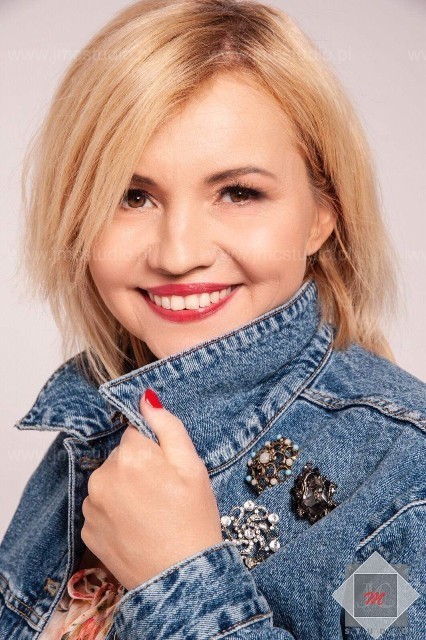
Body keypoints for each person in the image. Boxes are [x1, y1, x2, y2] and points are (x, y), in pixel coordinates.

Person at [0, 0, 425, 638]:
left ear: (321, 215)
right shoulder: (95, 423)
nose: (177, 254)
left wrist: (180, 576)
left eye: (238, 192)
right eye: (132, 195)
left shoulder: (403, 477)